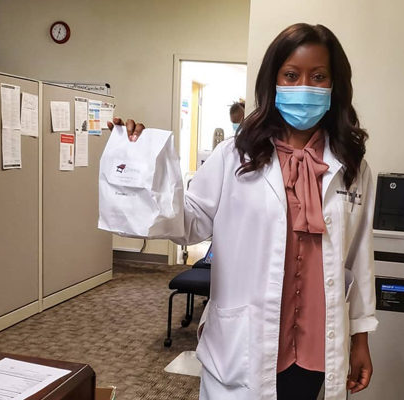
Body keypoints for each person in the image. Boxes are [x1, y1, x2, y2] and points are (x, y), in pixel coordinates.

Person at [108, 23, 377, 400]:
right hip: (245, 343)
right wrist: (142, 163)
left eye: (318, 76)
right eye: (291, 75)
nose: (304, 87)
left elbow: (359, 259)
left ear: (335, 86)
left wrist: (360, 337)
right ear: (273, 82)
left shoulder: (350, 166)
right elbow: (188, 223)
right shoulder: (235, 156)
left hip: (319, 344)